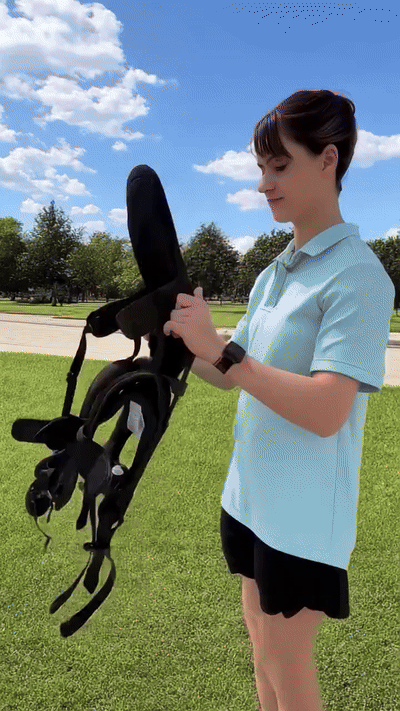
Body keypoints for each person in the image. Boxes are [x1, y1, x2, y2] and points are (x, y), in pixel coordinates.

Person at [218, 89, 394, 711]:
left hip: (301, 519)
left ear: (328, 159)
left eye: (279, 165)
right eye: (260, 167)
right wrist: (178, 335)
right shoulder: (277, 270)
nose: (264, 183)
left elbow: (326, 411)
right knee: (262, 658)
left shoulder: (359, 275)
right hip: (247, 497)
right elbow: (227, 370)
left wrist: (228, 357)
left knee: (288, 670)